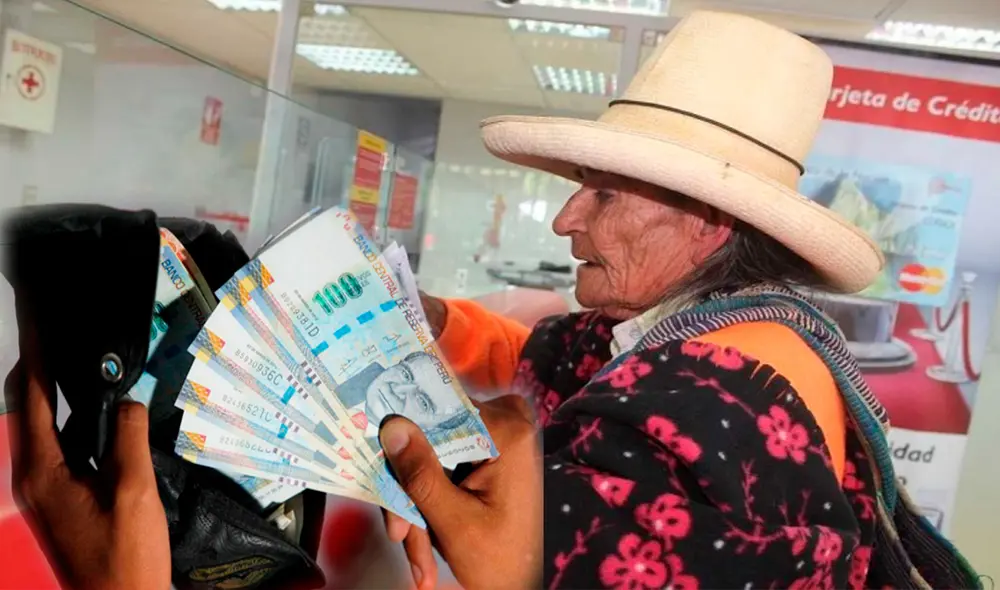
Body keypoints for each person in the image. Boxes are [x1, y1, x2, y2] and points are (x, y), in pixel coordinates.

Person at [4, 10, 978, 590]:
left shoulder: (692, 425)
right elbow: (555, 347)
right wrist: (420, 323)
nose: (565, 220)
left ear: (706, 224)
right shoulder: (738, 336)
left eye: (601, 194)